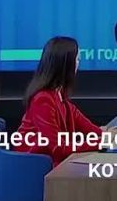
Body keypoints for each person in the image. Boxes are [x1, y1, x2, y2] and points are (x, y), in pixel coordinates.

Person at [13, 36, 108, 166]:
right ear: (66, 64)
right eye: (77, 59)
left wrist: (107, 134)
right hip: (32, 165)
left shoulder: (60, 96)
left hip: (49, 163)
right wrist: (102, 141)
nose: (78, 64)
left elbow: (88, 127)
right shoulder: (42, 100)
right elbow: (59, 148)